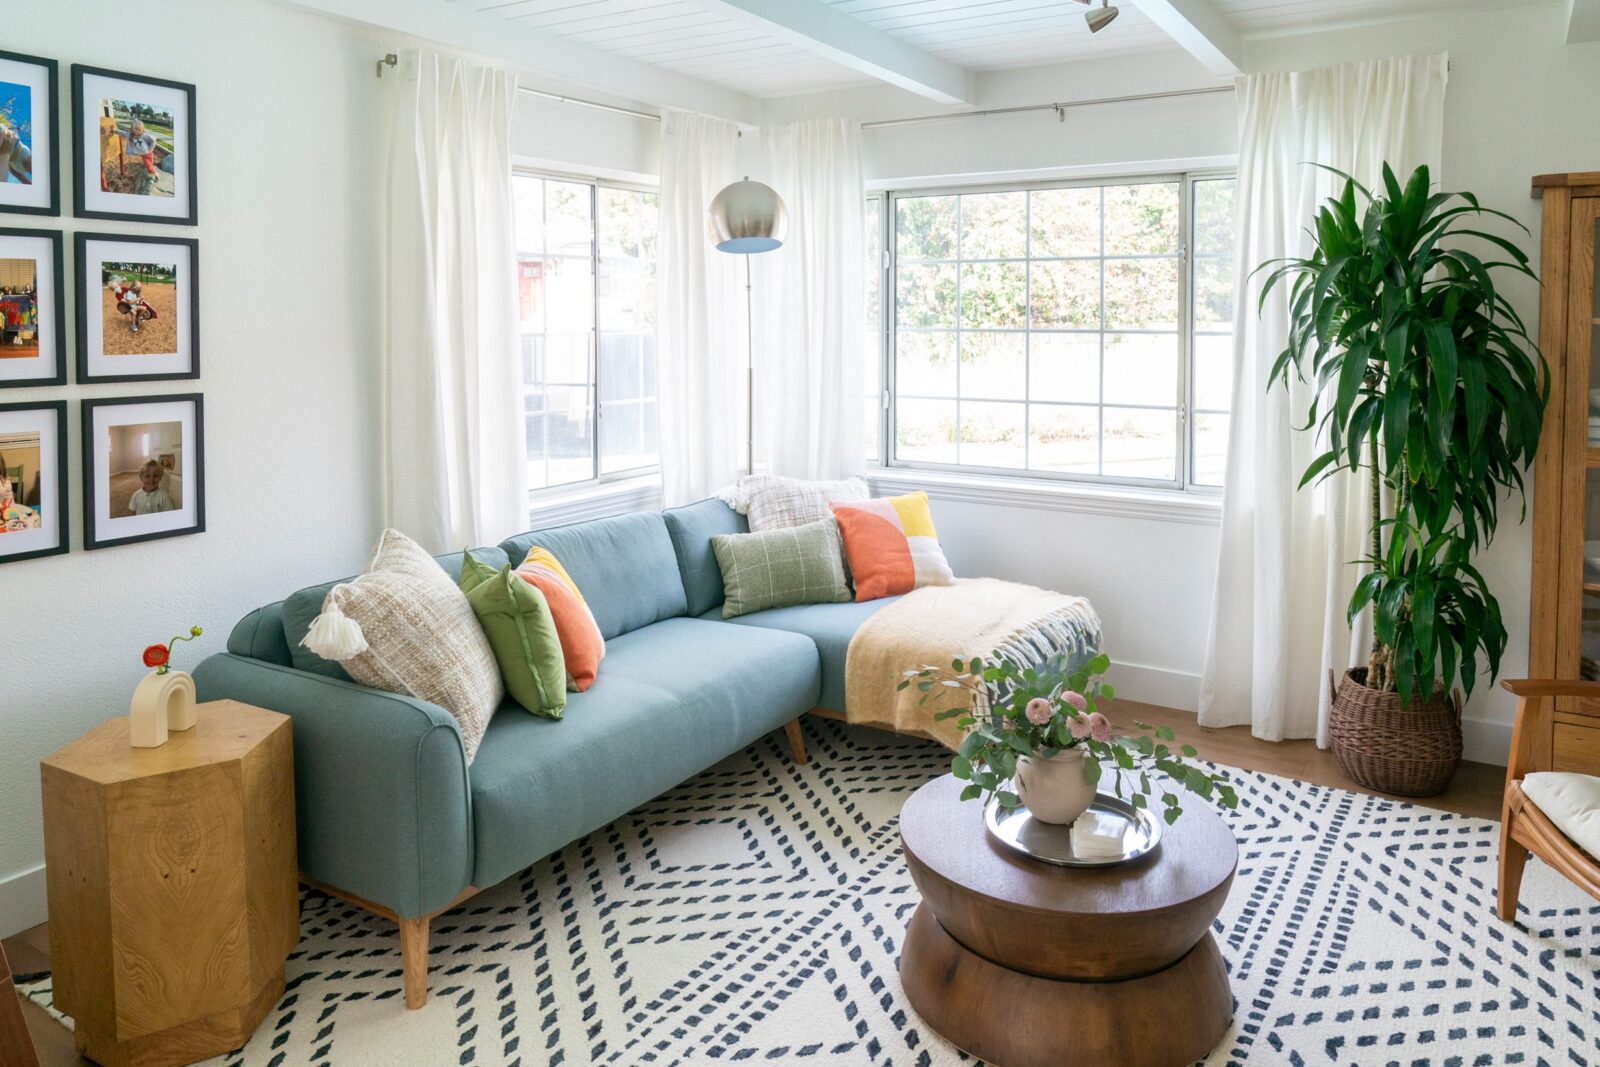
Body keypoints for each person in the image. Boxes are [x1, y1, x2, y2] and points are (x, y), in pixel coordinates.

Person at [125, 119, 157, 195]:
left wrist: (150, 148)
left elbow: (154, 140)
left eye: (139, 130)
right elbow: (123, 133)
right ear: (133, 128)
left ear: (142, 130)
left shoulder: (145, 136)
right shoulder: (131, 136)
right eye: (135, 128)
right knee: (149, 166)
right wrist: (116, 130)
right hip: (143, 155)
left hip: (149, 153)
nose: (137, 131)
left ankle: (152, 175)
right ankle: (152, 177)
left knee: (150, 165)